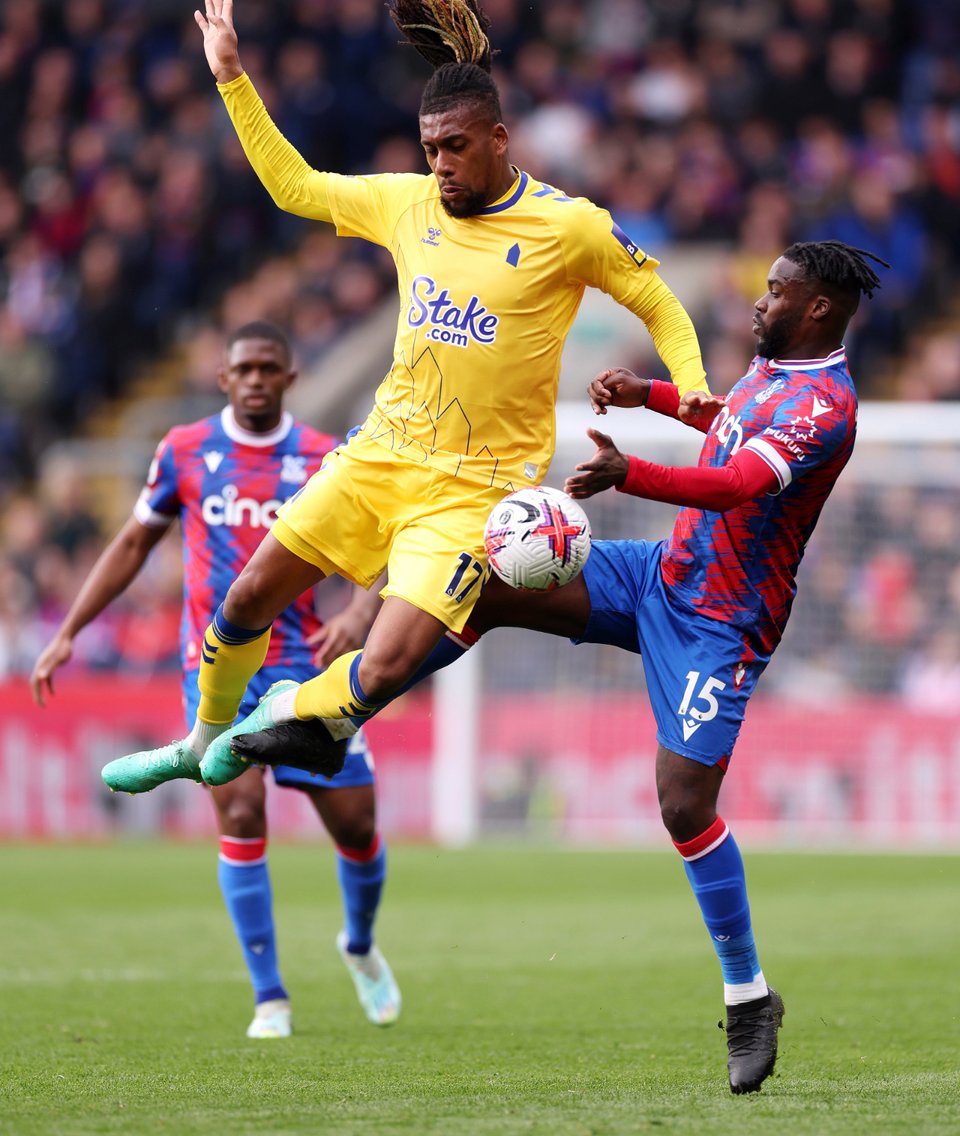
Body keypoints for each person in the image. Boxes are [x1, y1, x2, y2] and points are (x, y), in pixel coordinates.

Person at [227, 241, 887, 1093]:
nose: (760, 303)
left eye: (776, 292)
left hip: (721, 625)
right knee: (489, 583)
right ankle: (337, 725)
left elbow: (732, 484)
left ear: (819, 309)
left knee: (683, 803)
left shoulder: (827, 405)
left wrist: (628, 472)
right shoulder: (771, 372)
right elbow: (725, 426)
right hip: (661, 575)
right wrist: (645, 394)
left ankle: (749, 996)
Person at [103, 0, 709, 795]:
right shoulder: (408, 203)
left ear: (498, 138)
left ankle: (273, 726)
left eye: (454, 147)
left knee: (385, 662)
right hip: (380, 457)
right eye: (429, 149)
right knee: (247, 598)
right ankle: (199, 740)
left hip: (476, 492)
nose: (440, 166)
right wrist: (232, 78)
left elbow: (659, 300)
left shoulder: (567, 227)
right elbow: (296, 187)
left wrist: (692, 384)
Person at [31, 322, 401, 1037]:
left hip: (302, 668)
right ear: (225, 378)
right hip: (216, 671)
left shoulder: (326, 458)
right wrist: (70, 628)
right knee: (238, 812)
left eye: (270, 367)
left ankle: (357, 945)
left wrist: (359, 609)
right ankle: (271, 998)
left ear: (291, 378)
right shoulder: (185, 450)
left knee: (356, 826)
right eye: (244, 368)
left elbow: (388, 534)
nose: (257, 378)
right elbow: (135, 540)